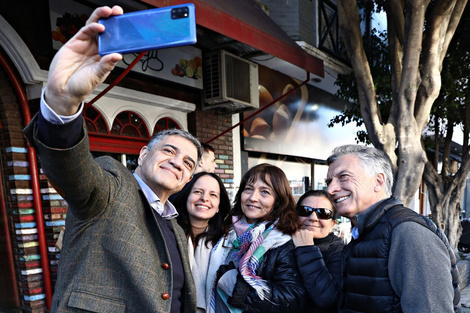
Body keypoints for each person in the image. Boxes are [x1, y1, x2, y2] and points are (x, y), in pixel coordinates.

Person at [22, 6, 200, 313]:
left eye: (188, 163)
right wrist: (63, 102)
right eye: (169, 151)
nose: (177, 163)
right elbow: (72, 171)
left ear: (187, 178)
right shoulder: (112, 186)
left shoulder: (178, 228)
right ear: (143, 155)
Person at [325, 145, 460, 313]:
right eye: (329, 182)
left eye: (343, 176)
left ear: (378, 181)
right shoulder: (367, 231)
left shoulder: (408, 232)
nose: (331, 189)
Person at [205, 163, 305, 313]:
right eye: (248, 189)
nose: (253, 197)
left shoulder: (282, 241)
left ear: (278, 201)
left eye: (264, 192)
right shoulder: (223, 230)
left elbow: (292, 298)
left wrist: (238, 289)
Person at [172, 172, 231, 313]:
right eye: (198, 191)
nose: (204, 198)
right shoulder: (168, 232)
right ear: (186, 196)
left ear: (218, 207)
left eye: (213, 195)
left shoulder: (226, 243)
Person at [292, 190, 343, 313]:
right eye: (305, 211)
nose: (313, 218)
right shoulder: (280, 243)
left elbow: (327, 298)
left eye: (323, 213)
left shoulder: (339, 250)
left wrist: (306, 248)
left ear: (333, 224)